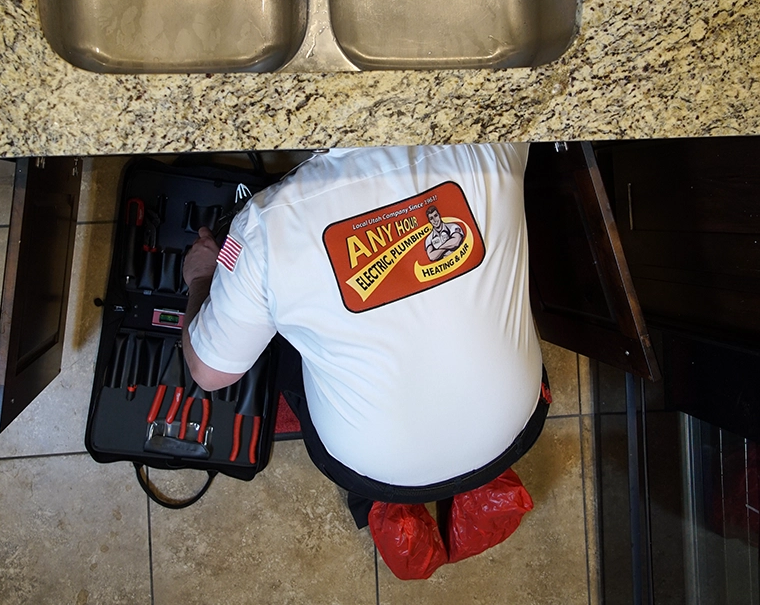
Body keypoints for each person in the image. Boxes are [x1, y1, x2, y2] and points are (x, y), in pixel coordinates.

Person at [182, 144, 549, 524]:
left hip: (378, 472)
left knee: (277, 325)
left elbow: (210, 372)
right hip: (516, 428)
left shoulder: (265, 224)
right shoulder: (486, 142)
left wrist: (201, 279)